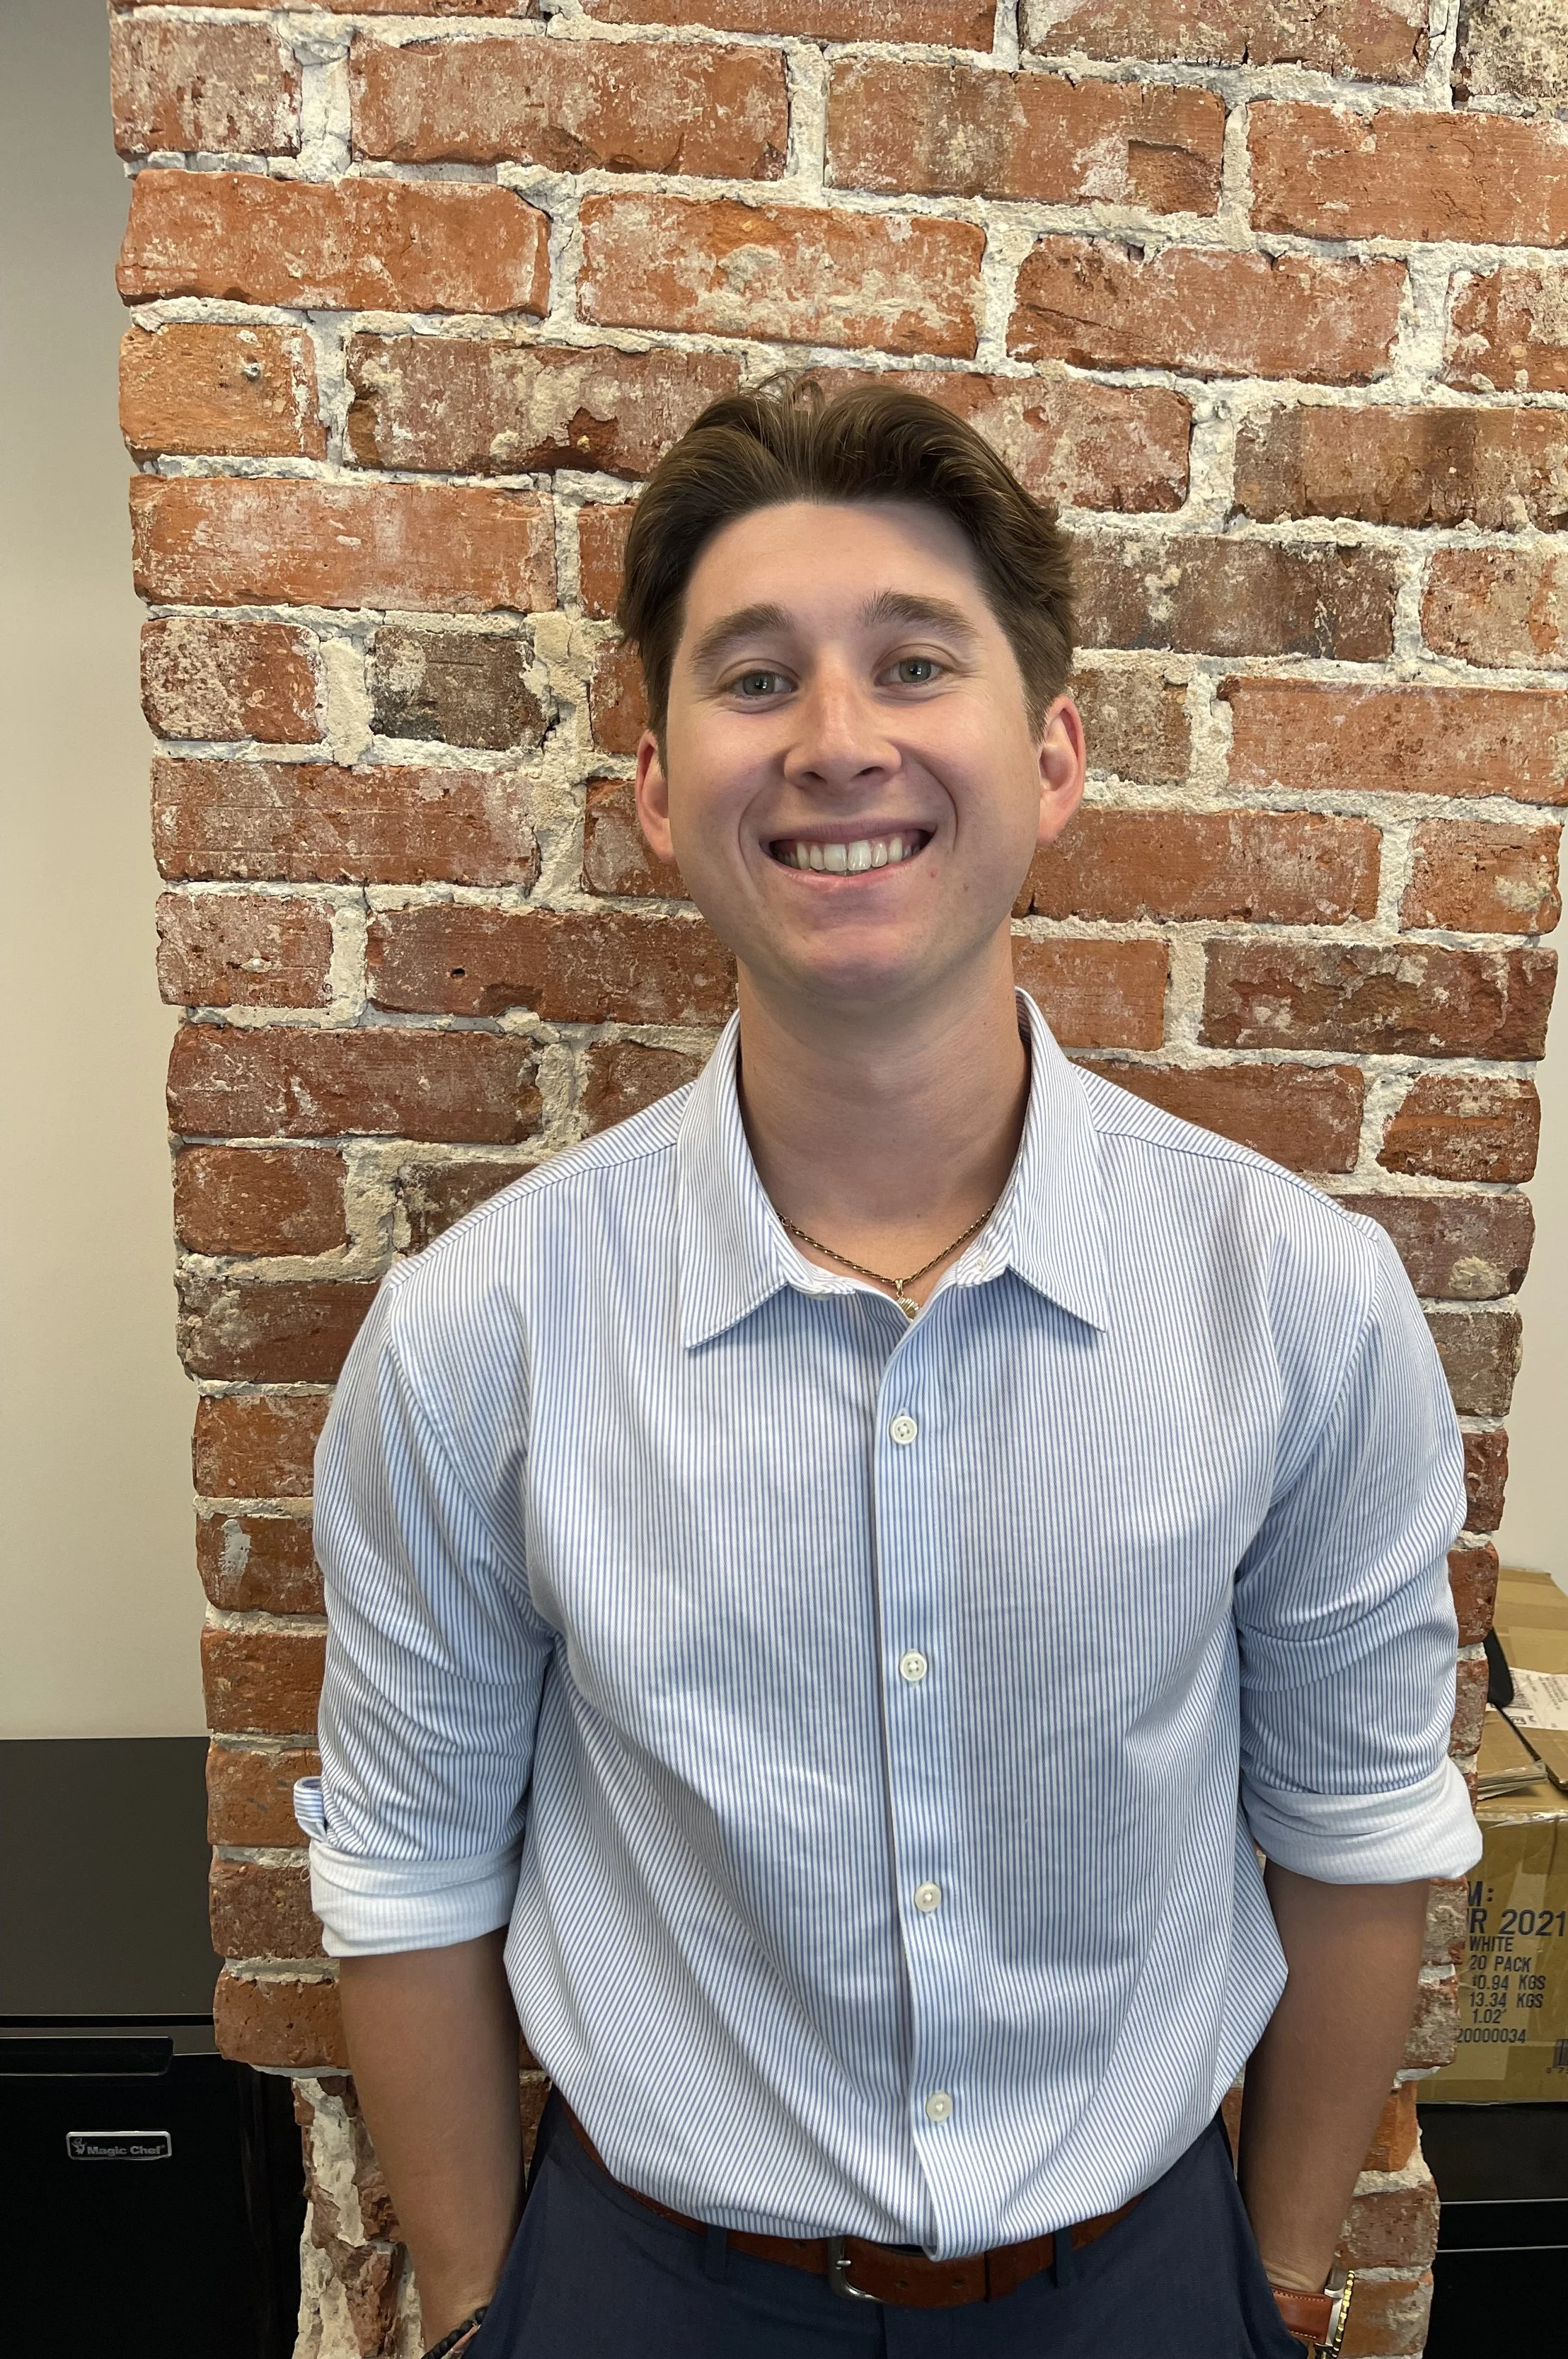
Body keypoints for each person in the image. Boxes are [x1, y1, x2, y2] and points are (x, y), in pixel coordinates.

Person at [299, 382, 1481, 2359]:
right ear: (659, 786)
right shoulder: (480, 1333)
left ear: (1053, 756)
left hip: (1134, 2289)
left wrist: (1274, 2290)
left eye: (915, 664)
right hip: (648, 2292)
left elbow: (1353, 1820)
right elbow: (411, 1865)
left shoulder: (1294, 1299)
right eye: (754, 677)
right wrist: (487, 2318)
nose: (837, 738)